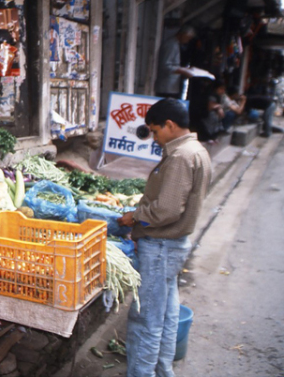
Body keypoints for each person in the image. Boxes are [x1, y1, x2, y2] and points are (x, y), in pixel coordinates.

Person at [118, 98, 212, 377]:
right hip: (173, 246)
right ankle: (163, 371)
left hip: (161, 246)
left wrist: (135, 216)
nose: (154, 138)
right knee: (167, 315)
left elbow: (167, 210)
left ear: (169, 125)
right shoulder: (197, 150)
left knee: (146, 319)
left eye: (155, 131)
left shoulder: (181, 156)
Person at [155, 25, 197, 99]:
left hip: (172, 86)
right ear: (183, 34)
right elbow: (165, 65)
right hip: (166, 87)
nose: (188, 40)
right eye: (188, 38)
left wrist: (185, 69)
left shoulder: (176, 44)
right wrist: (182, 71)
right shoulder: (171, 45)